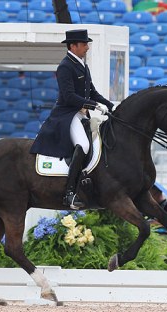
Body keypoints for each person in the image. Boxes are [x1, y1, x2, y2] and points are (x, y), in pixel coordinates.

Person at [29, 29, 114, 210]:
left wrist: (109, 105)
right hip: (68, 114)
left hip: (82, 113)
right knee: (83, 145)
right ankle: (70, 193)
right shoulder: (65, 66)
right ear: (73, 46)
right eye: (84, 44)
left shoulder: (83, 65)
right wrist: (94, 106)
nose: (87, 48)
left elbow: (92, 92)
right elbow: (68, 97)